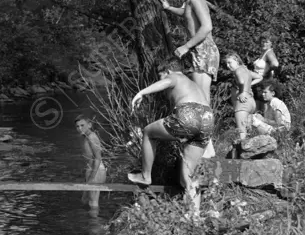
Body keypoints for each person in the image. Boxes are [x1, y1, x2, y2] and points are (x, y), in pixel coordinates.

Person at [127, 59, 215, 197]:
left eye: (160, 75)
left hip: (190, 113)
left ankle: (145, 175)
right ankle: (194, 216)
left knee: (148, 132)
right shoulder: (192, 84)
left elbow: (167, 82)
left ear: (167, 71)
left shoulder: (175, 76)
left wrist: (142, 93)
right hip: (208, 119)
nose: (160, 79)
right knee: (188, 177)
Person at [159, 0, 220, 102]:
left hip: (204, 50)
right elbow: (186, 14)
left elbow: (207, 26)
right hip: (198, 50)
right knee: (198, 96)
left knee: (202, 97)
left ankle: (207, 123)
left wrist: (186, 47)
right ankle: (202, 122)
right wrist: (169, 8)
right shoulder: (189, 2)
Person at [224, 52, 260, 145]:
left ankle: (242, 157)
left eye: (229, 62)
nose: (228, 66)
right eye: (226, 64)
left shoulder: (237, 70)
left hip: (242, 104)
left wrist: (242, 92)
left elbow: (241, 81)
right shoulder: (246, 70)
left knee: (242, 133)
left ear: (236, 60)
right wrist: (249, 85)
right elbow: (259, 77)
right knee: (249, 131)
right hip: (251, 102)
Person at [75, 116, 107, 210]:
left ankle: (95, 224)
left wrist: (92, 177)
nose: (80, 128)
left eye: (82, 125)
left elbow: (98, 158)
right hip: (91, 169)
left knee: (93, 202)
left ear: (89, 125)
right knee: (84, 200)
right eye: (77, 126)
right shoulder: (85, 136)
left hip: (97, 170)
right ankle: (87, 222)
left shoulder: (92, 137)